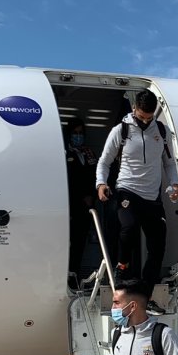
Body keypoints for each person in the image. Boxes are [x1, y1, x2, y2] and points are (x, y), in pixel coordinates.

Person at [96, 90, 178, 294]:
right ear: (134, 108)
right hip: (127, 189)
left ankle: (147, 290)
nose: (145, 121)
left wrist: (175, 184)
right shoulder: (121, 130)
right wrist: (101, 183)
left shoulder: (161, 131)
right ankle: (121, 268)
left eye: (149, 117)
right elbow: (104, 161)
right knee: (129, 228)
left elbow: (169, 163)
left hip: (152, 196)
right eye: (141, 116)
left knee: (158, 245)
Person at [66, 117, 97, 288]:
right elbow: (70, 181)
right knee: (69, 243)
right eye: (75, 133)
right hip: (72, 204)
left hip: (87, 206)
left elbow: (95, 175)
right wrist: (81, 196)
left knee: (80, 243)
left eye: (80, 133)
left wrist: (91, 195)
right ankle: (68, 276)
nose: (78, 136)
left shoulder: (89, 153)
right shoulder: (65, 153)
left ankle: (75, 276)